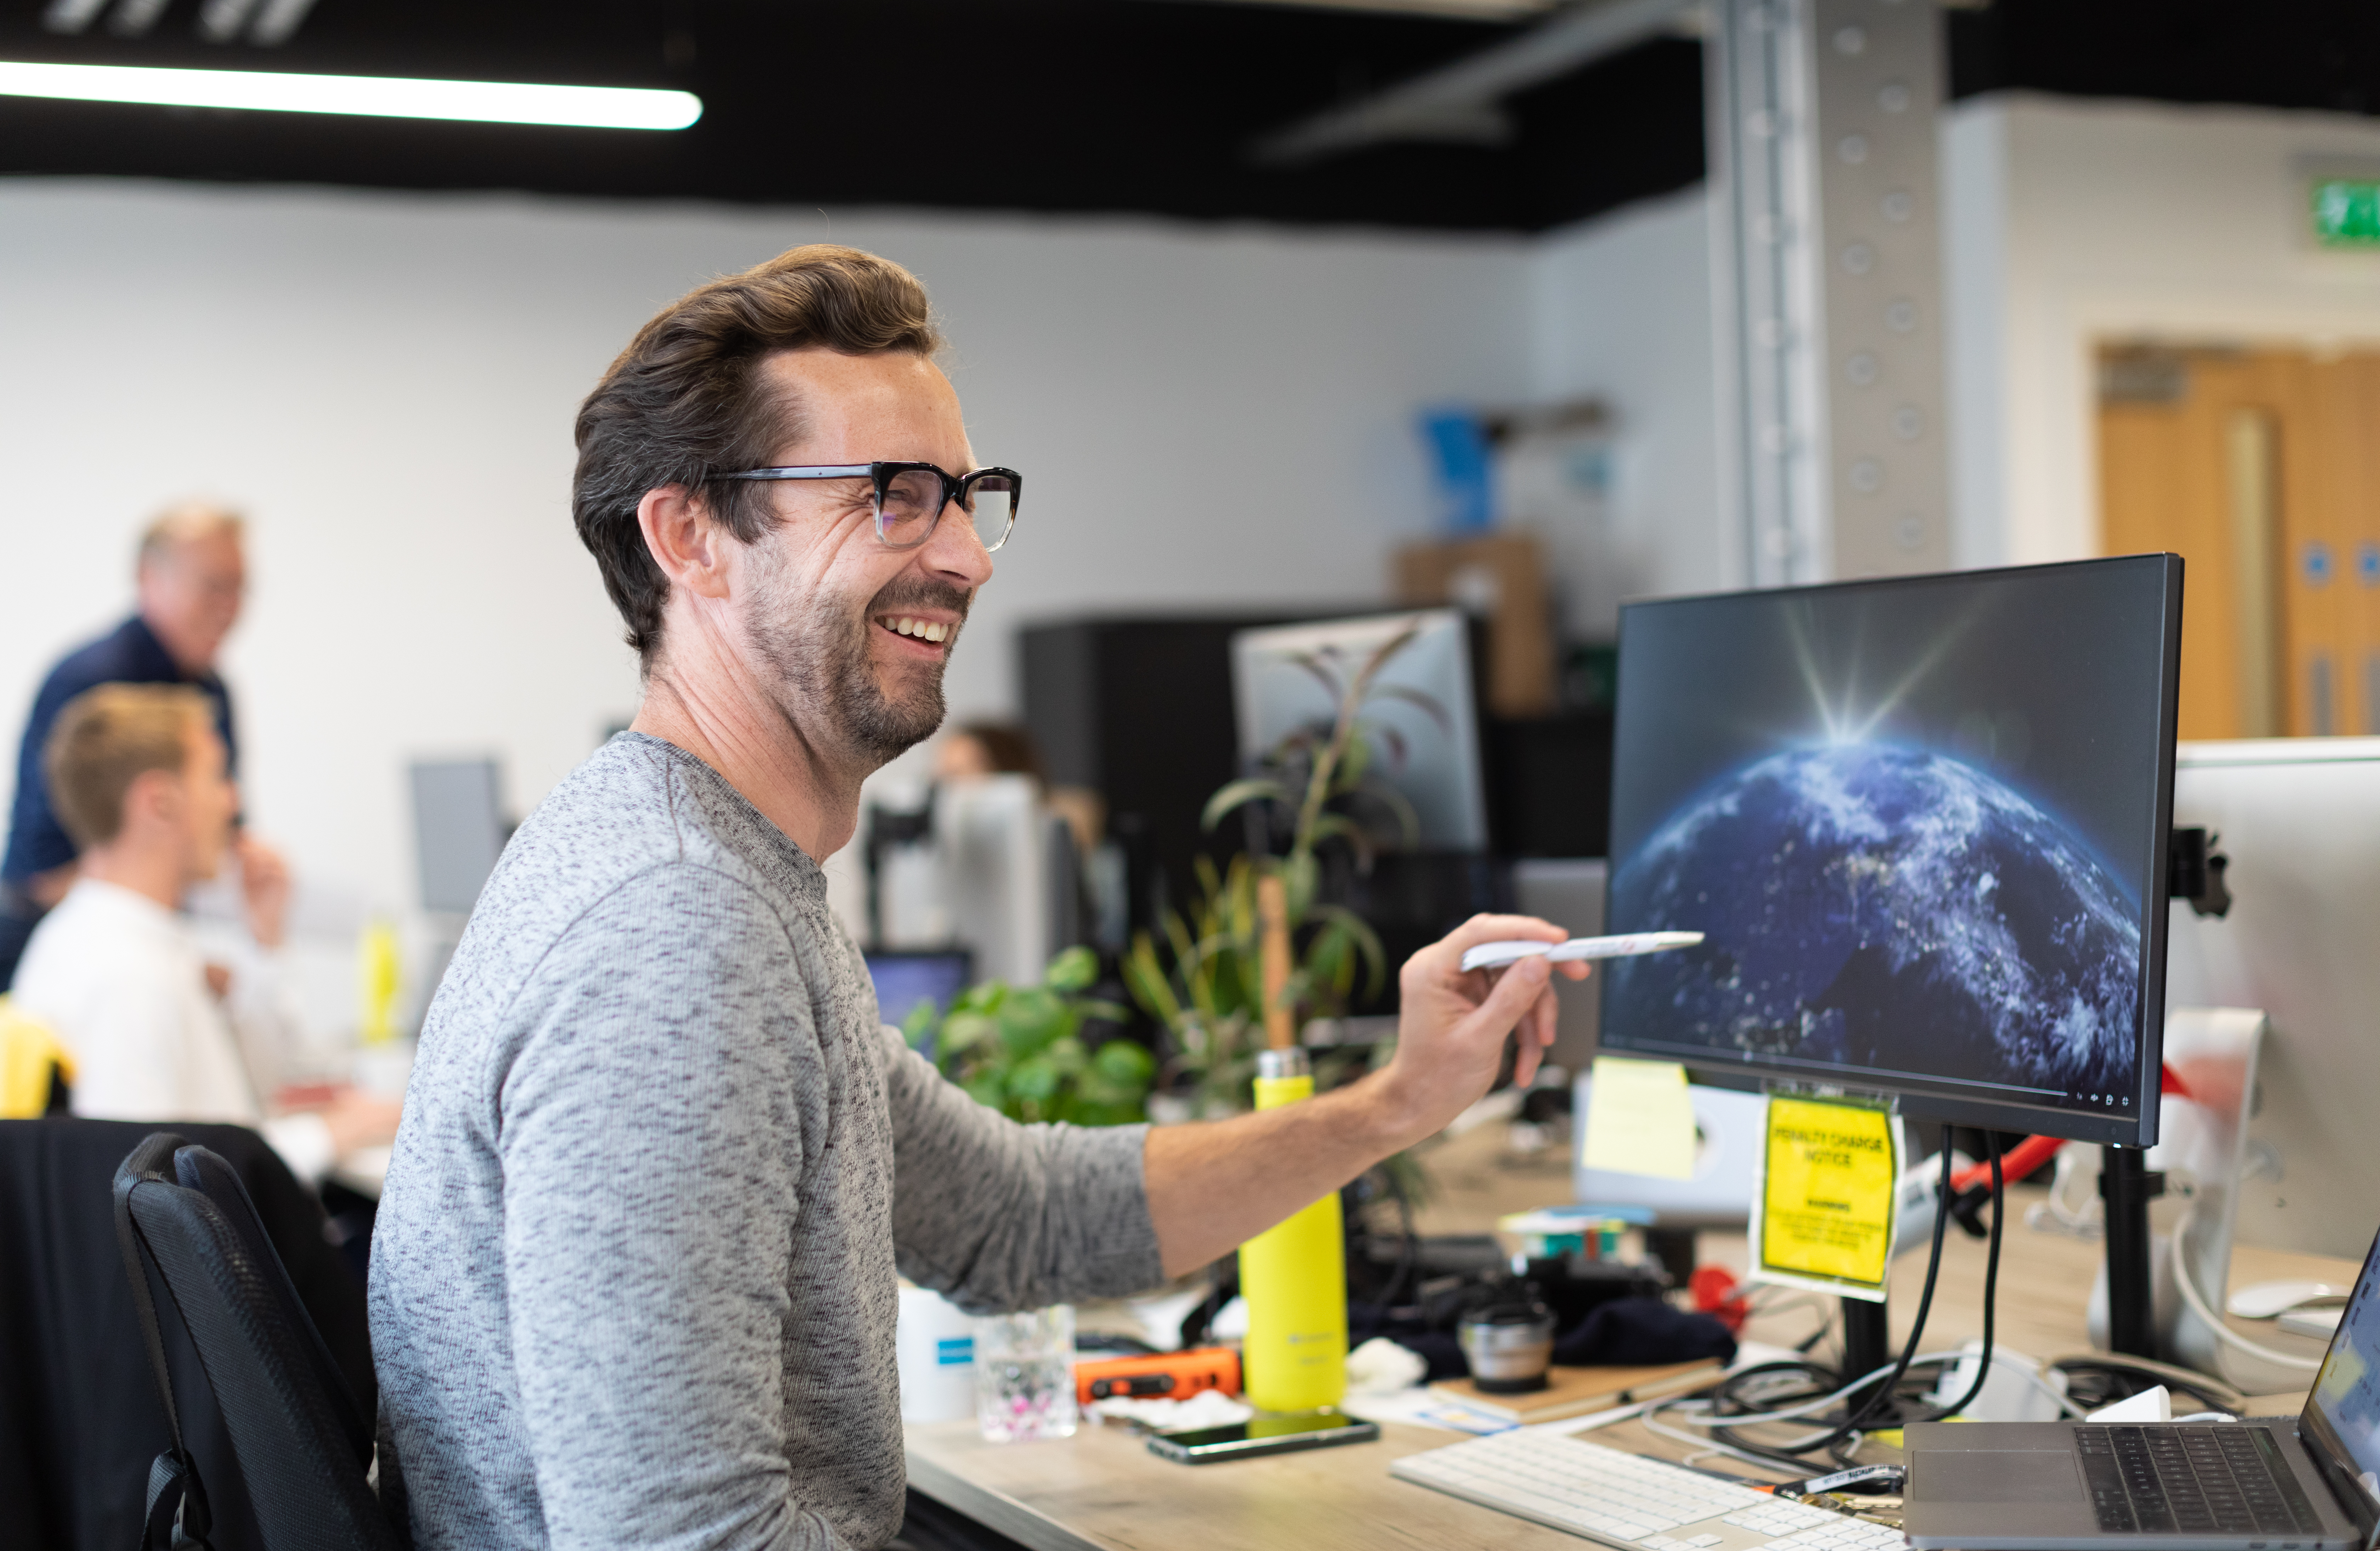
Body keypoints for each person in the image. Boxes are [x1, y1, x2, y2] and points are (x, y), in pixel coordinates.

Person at [369, 244, 1590, 1550]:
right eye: (891, 496)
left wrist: (1399, 1103)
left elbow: (1021, 1217)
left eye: (964, 496)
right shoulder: (676, 932)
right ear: (692, 539)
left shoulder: (719, 877)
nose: (966, 557)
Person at [8, 684, 401, 1181]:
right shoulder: (128, 978)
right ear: (160, 802)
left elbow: (262, 1079)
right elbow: (157, 1192)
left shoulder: (96, 937)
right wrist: (329, 1135)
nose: (231, 801)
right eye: (217, 776)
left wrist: (266, 937)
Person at [0, 503, 283, 987]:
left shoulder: (213, 691)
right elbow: (40, 870)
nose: (231, 605)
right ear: (149, 578)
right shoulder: (90, 684)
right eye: (214, 585)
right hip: (60, 952)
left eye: (240, 587)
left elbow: (227, 836)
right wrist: (167, 957)